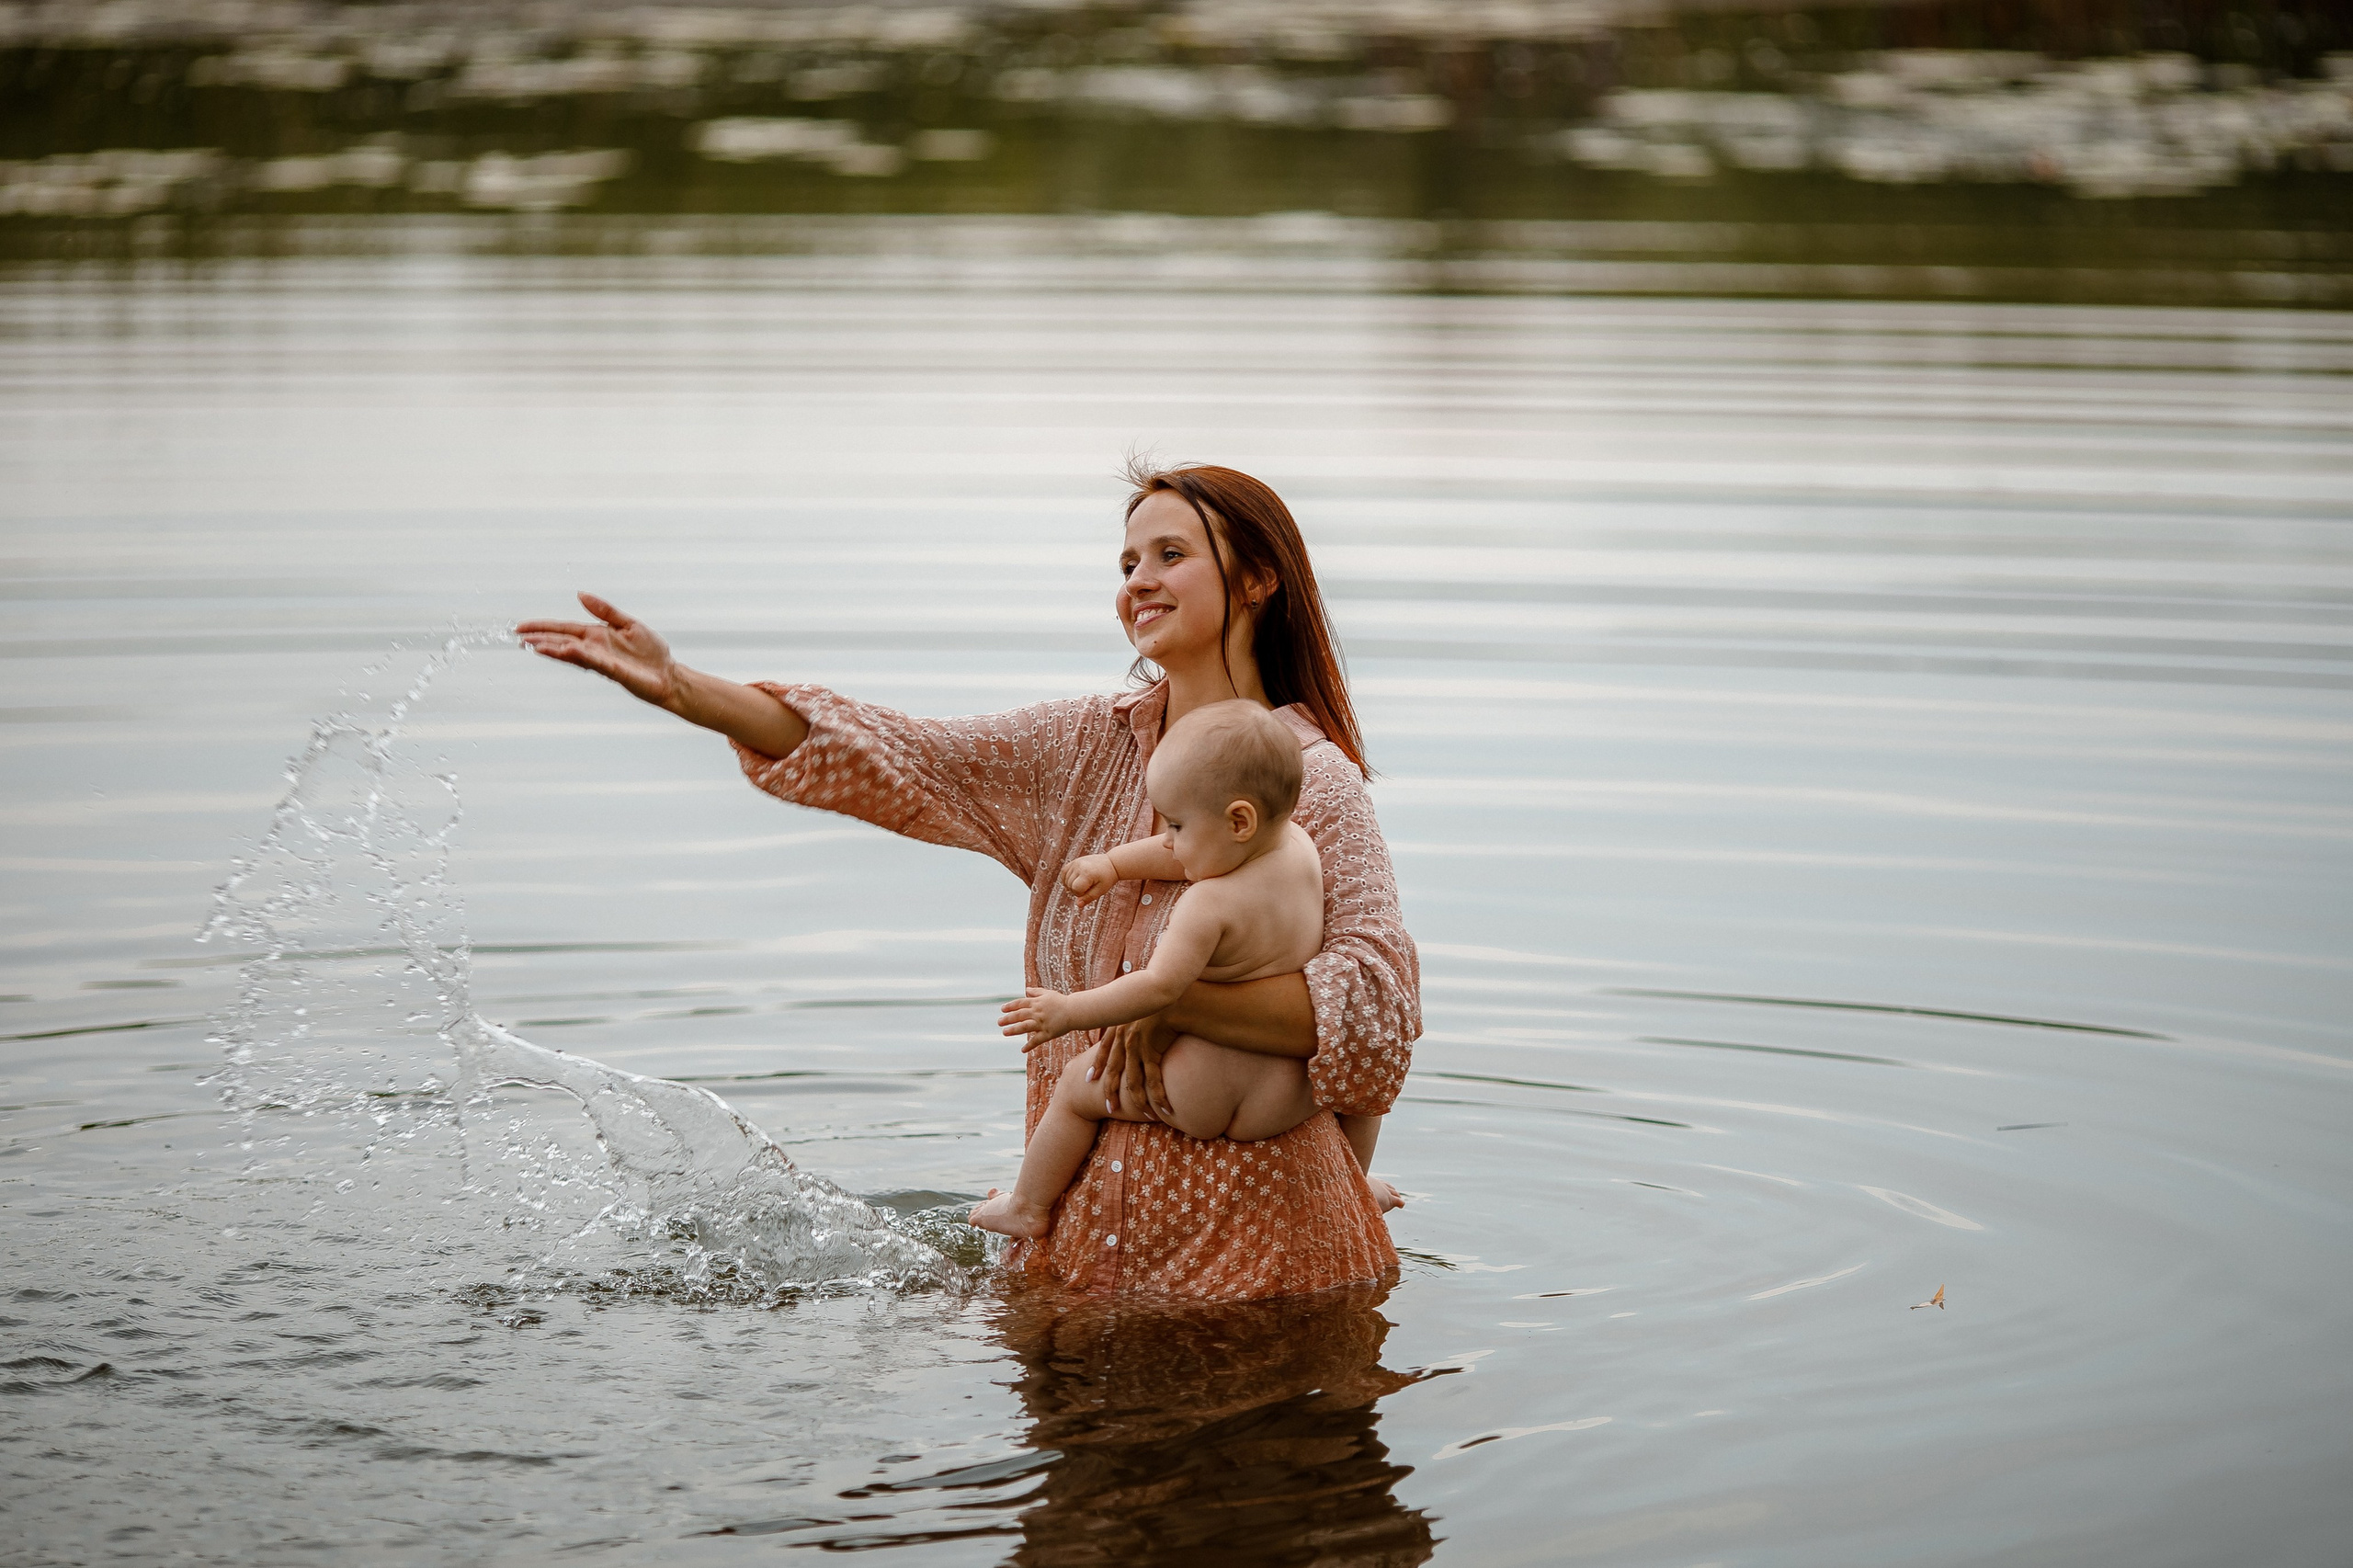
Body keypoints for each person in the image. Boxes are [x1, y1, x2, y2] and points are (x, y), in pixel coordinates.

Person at [517, 459, 1418, 1301]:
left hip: (1266, 1267)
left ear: (1256, 578)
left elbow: (1372, 1011)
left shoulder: (1313, 783)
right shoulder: (1079, 749)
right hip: (1079, 1250)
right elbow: (901, 755)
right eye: (1127, 559)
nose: (1137, 579)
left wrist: (1160, 1000)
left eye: (1171, 554)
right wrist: (682, 688)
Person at [973, 699, 1390, 1241]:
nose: (1167, 840)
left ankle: (1027, 1206)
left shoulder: (1207, 905)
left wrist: (1066, 1012)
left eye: (1174, 824)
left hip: (1203, 1091)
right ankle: (1356, 1186)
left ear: (1239, 820)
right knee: (1364, 1084)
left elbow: (1159, 987)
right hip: (1290, 1091)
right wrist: (1116, 864)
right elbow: (1193, 849)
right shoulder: (1300, 849)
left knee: (1078, 1089)